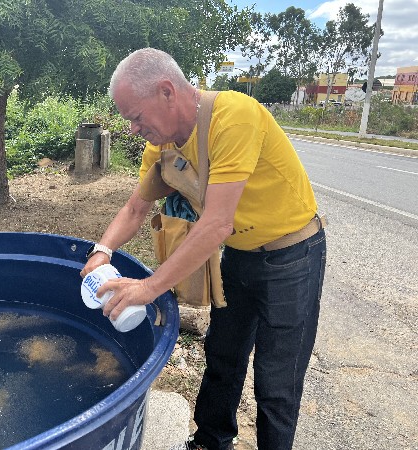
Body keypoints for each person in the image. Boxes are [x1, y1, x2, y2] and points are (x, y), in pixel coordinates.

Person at [81, 48, 327, 450]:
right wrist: (102, 250)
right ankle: (211, 441)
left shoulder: (233, 116)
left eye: (136, 117)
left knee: (277, 381)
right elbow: (136, 207)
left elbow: (216, 223)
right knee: (222, 356)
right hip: (239, 255)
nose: (133, 128)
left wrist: (148, 288)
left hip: (292, 257)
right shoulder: (162, 146)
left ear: (166, 91)